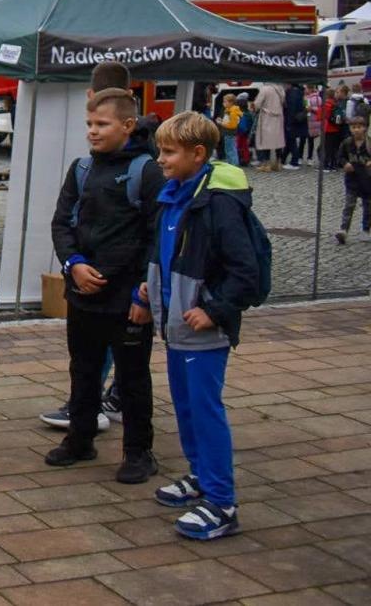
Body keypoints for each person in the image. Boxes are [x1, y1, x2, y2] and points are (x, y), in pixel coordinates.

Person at [144, 111, 267, 540]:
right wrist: (149, 291)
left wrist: (214, 310)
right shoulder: (174, 195)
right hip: (177, 327)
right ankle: (200, 476)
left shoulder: (218, 204)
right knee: (186, 406)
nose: (160, 159)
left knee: (205, 409)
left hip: (202, 329)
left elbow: (244, 271)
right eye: (160, 150)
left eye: (169, 151)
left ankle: (221, 500)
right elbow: (166, 254)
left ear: (198, 154)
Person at [43, 89, 164, 484]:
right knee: (84, 369)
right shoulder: (81, 169)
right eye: (89, 124)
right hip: (83, 294)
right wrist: (73, 264)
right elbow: (62, 224)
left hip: (128, 300)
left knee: (131, 377)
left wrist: (143, 292)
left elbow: (157, 236)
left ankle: (138, 451)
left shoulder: (148, 171)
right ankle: (81, 438)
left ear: (127, 126)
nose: (93, 132)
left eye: (102, 125)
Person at [336, 116, 371, 243]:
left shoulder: (369, 143)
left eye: (359, 127)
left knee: (368, 206)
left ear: (365, 128)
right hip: (352, 180)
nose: (357, 130)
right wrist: (345, 164)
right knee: (349, 205)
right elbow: (340, 157)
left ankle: (366, 229)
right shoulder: (347, 143)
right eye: (354, 127)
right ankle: (344, 229)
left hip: (367, 180)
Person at [252, 82, 285, 172]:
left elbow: (257, 104)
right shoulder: (280, 89)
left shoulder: (265, 89)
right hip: (278, 117)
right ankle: (278, 163)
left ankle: (266, 164)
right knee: (278, 141)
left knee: (266, 141)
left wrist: (254, 106)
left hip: (267, 117)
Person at [215, 93, 241, 166]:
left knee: (231, 150)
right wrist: (221, 120)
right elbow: (228, 121)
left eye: (225, 102)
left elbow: (232, 125)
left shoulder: (232, 112)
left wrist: (221, 123)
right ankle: (230, 163)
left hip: (230, 133)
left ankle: (234, 164)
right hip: (228, 133)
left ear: (231, 102)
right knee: (228, 149)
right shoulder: (228, 110)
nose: (223, 103)